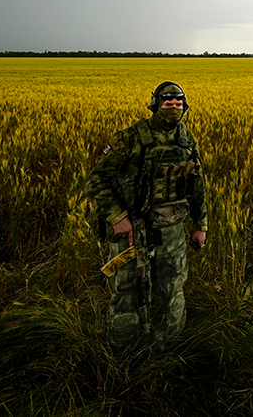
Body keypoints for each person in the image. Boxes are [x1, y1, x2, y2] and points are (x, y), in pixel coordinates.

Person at [86, 81, 208, 348]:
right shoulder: (132, 137)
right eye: (167, 102)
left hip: (172, 232)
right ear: (155, 104)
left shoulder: (186, 140)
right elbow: (96, 181)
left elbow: (197, 184)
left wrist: (200, 225)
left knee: (172, 290)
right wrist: (118, 217)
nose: (173, 107)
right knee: (126, 292)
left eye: (178, 103)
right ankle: (121, 356)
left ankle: (167, 352)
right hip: (132, 232)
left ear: (185, 107)